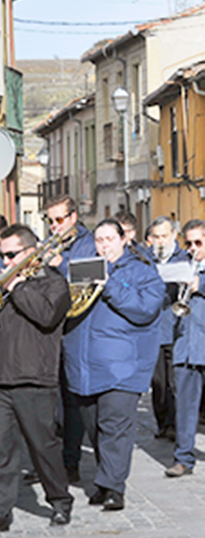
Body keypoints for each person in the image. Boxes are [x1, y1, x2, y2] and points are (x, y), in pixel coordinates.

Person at [0, 224, 74, 534]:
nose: (4, 262)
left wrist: (17, 287)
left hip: (35, 379)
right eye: (2, 255)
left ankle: (60, 500)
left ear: (31, 253)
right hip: (0, 379)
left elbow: (46, 316)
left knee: (43, 446)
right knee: (0, 451)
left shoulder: (54, 285)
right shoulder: (1, 288)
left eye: (11, 255)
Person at [62, 219, 164, 510]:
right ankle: (105, 481)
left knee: (115, 428)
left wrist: (111, 285)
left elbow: (146, 309)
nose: (103, 244)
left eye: (109, 238)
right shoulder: (83, 268)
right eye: (98, 239)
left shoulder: (142, 272)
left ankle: (113, 488)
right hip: (84, 363)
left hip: (122, 365)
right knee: (94, 428)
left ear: (123, 240)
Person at [44, 196, 97, 485]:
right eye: (50, 220)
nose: (54, 226)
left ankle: (73, 462)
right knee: (58, 400)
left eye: (59, 220)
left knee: (76, 401)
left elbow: (88, 281)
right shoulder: (52, 243)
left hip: (78, 332)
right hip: (54, 331)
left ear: (73, 218)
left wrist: (59, 264)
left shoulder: (88, 244)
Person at [145, 216, 191, 442]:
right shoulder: (145, 259)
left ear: (174, 235)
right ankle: (162, 423)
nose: (160, 241)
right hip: (153, 329)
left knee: (175, 382)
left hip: (177, 328)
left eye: (164, 236)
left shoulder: (185, 258)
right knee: (157, 382)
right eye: (156, 237)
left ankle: (176, 425)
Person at [167, 219, 205, 477]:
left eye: (198, 243)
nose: (193, 248)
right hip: (186, 345)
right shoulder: (183, 267)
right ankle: (183, 458)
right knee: (185, 407)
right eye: (188, 243)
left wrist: (199, 285)